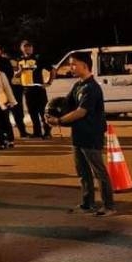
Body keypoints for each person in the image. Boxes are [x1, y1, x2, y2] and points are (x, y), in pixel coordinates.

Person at [45, 51, 115, 216]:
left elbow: (80, 112)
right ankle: (87, 204)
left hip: (91, 134)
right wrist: (51, 111)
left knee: (99, 172)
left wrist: (59, 121)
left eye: (73, 64)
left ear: (84, 65)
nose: (71, 67)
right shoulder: (78, 85)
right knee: (83, 172)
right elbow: (66, 103)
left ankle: (109, 206)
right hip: (78, 134)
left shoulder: (92, 88)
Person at [0, 42, 28, 139]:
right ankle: (2, 133)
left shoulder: (6, 60)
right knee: (2, 113)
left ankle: (23, 132)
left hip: (11, 88)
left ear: (1, 50)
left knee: (18, 111)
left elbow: (10, 74)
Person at [17, 40, 51, 139]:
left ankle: (47, 132)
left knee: (43, 112)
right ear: (21, 48)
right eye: (25, 47)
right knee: (32, 112)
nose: (27, 48)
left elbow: (52, 70)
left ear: (32, 48)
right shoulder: (20, 59)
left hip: (38, 89)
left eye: (29, 46)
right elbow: (17, 75)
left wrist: (49, 82)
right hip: (27, 89)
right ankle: (37, 132)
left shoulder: (38, 58)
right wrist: (20, 70)